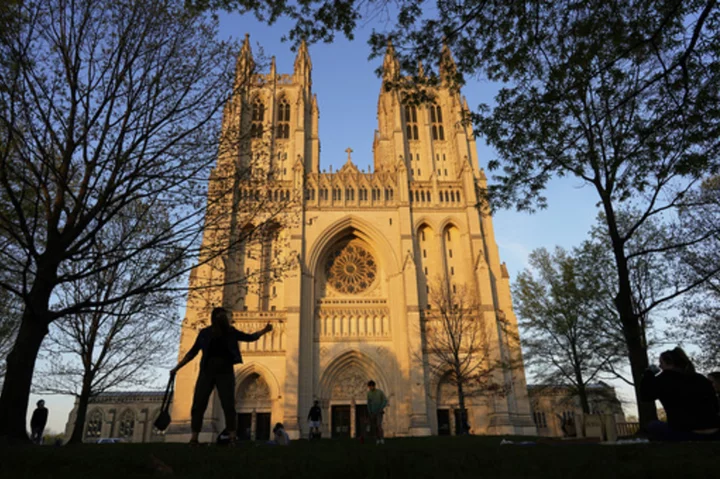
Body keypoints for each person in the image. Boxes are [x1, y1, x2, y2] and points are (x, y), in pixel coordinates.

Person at [170, 307, 272, 445]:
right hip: (207, 372)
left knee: (228, 405)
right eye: (221, 316)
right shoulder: (205, 333)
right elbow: (192, 352)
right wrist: (177, 368)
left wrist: (264, 331)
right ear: (214, 318)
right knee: (199, 404)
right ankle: (194, 437)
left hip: (225, 372)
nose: (224, 318)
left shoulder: (231, 332)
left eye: (225, 316)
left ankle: (232, 438)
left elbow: (250, 337)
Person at [640, 347, 720, 441]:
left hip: (686, 433)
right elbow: (715, 406)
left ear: (668, 363)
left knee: (653, 426)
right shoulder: (700, 378)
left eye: (661, 363)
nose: (660, 366)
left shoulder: (663, 380)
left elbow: (645, 396)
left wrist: (648, 374)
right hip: (715, 431)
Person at [366, 380, 388, 445]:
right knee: (375, 426)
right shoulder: (369, 393)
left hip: (379, 412)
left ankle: (382, 439)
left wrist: (381, 408)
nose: (370, 388)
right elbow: (369, 403)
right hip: (373, 412)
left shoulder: (380, 392)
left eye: (370, 387)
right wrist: (369, 411)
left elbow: (385, 400)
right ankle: (377, 439)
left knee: (379, 425)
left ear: (373, 386)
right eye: (369, 387)